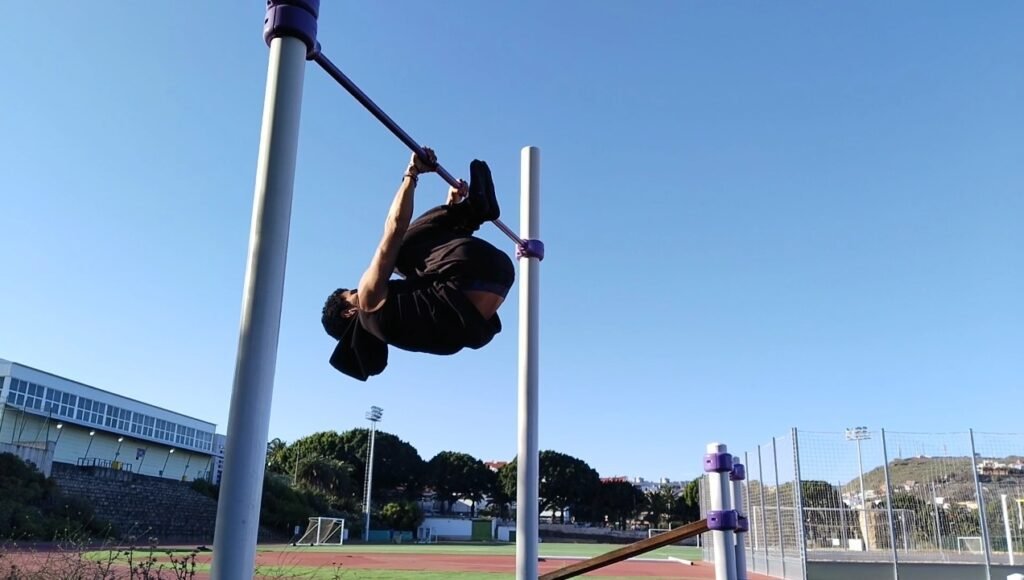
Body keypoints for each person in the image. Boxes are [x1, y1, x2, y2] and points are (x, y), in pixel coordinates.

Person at [321, 148, 515, 381]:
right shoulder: (369, 301)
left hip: (496, 278)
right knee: (398, 253)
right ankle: (472, 211)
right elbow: (395, 227)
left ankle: (469, 211)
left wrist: (450, 205)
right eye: (351, 293)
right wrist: (412, 173)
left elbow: (430, 293)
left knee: (407, 269)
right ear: (350, 311)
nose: (357, 289)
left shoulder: (399, 328)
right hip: (469, 268)